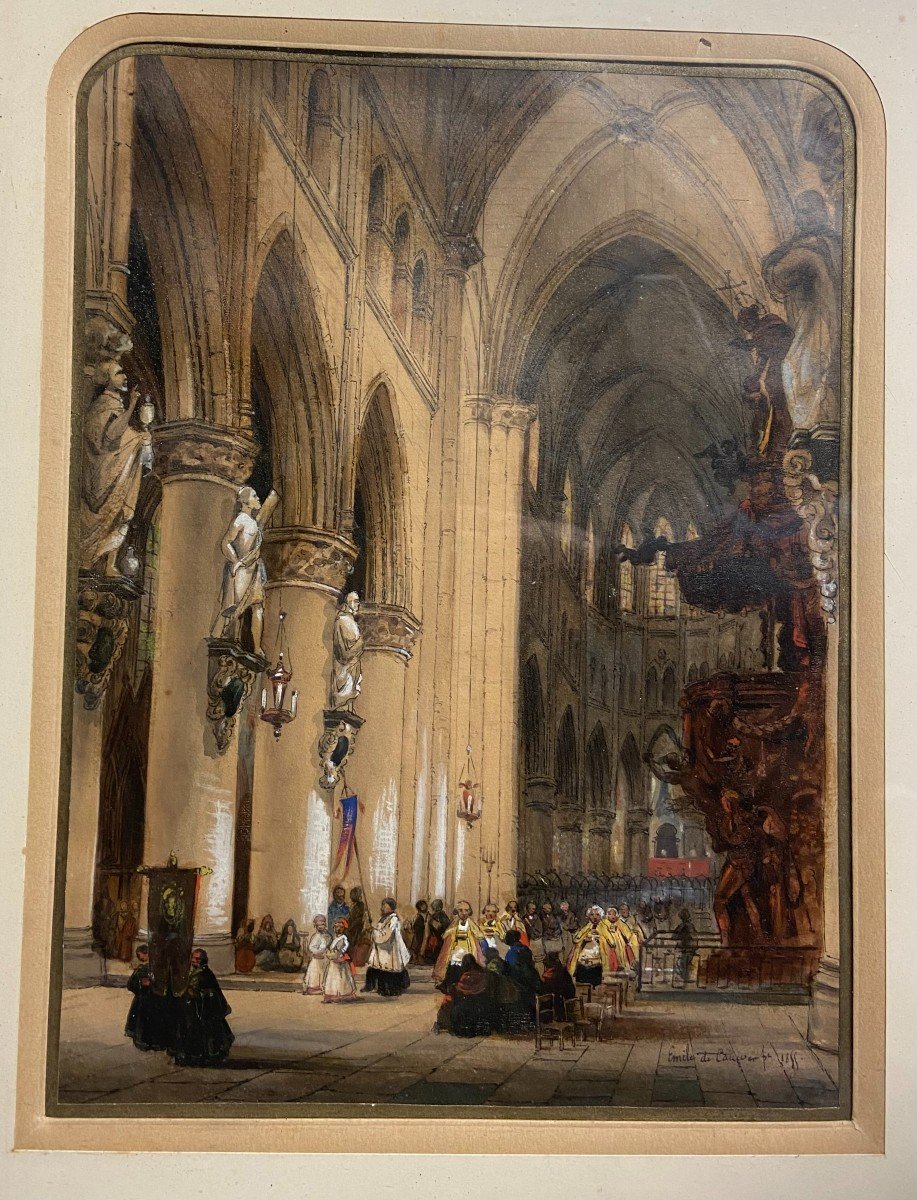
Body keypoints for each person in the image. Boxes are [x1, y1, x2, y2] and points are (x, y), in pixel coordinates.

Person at [80, 357, 153, 575]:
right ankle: (95, 561)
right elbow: (111, 436)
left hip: (117, 468)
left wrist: (140, 438)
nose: (124, 377)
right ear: (106, 379)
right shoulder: (104, 404)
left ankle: (108, 563)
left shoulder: (115, 405)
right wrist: (132, 407)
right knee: (109, 513)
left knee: (121, 514)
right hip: (104, 473)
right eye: (118, 373)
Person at [211, 485, 279, 657]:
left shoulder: (254, 523)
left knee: (257, 605)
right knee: (234, 608)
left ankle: (256, 648)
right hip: (241, 570)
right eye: (255, 496)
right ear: (246, 502)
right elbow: (226, 542)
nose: (258, 499)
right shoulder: (240, 520)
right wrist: (237, 562)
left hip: (253, 569)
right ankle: (223, 637)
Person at [173, 948, 234, 1067]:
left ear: (203, 960)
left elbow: (200, 991)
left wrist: (189, 993)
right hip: (198, 1009)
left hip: (204, 1010)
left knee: (202, 1034)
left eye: (197, 959)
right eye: (193, 958)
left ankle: (200, 1057)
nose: (194, 961)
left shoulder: (203, 973)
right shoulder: (198, 972)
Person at [433, 900, 486, 991]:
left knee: (468, 965)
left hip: (468, 948)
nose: (464, 913)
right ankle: (451, 985)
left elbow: (479, 934)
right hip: (457, 948)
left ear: (469, 911)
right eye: (461, 910)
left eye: (466, 910)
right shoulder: (455, 922)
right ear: (457, 912)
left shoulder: (471, 923)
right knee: (453, 965)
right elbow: (446, 934)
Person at [363, 898, 411, 996]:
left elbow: (386, 935)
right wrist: (373, 928)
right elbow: (379, 929)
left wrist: (375, 931)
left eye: (385, 906)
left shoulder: (393, 919)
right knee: (376, 967)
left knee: (388, 969)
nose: (382, 908)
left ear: (391, 907)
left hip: (389, 949)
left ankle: (389, 990)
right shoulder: (385, 918)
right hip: (381, 949)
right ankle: (372, 986)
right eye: (382, 906)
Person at [567, 905, 619, 986]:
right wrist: (584, 940)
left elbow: (612, 943)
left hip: (598, 960)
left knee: (596, 984)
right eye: (592, 915)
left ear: (601, 916)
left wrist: (599, 939)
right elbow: (576, 940)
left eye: (597, 915)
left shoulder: (604, 928)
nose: (594, 917)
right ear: (588, 916)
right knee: (582, 983)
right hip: (584, 960)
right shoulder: (586, 928)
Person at [124, 944, 161, 1052]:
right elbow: (131, 985)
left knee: (146, 1021)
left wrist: (143, 985)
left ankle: (146, 1041)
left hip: (147, 1000)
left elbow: (130, 985)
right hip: (147, 999)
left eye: (140, 956)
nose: (140, 958)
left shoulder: (146, 969)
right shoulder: (149, 968)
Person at [447, 954, 493, 1038]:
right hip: (481, 1004)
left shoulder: (467, 976)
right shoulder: (481, 973)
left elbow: (462, 988)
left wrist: (454, 987)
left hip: (469, 1005)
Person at [503, 928, 541, 1022]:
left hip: (520, 983)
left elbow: (512, 969)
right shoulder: (526, 949)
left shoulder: (511, 952)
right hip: (531, 979)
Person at [323, 918, 358, 1003]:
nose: (338, 929)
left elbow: (342, 949)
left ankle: (343, 995)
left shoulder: (344, 938)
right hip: (334, 961)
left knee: (341, 978)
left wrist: (336, 955)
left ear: (344, 929)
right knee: (332, 978)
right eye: (336, 927)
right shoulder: (335, 938)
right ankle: (332, 995)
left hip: (341, 961)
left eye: (341, 927)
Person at [540, 950, 576, 1022]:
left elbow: (552, 987)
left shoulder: (556, 971)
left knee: (548, 999)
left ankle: (554, 1018)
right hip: (566, 994)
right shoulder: (561, 968)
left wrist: (544, 979)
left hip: (562, 996)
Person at [303, 915, 332, 995]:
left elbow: (329, 944)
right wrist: (317, 952)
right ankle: (314, 988)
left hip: (325, 958)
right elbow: (311, 947)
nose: (320, 927)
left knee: (325, 972)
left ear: (325, 925)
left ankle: (324, 987)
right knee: (315, 973)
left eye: (322, 925)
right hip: (317, 958)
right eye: (318, 925)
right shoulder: (315, 936)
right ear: (315, 926)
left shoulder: (328, 936)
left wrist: (327, 951)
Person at [346, 886, 372, 968]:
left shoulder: (360, 905)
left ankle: (353, 961)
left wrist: (350, 927)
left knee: (354, 943)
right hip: (351, 927)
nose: (351, 896)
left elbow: (358, 919)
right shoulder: (353, 905)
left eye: (353, 895)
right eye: (351, 894)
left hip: (356, 928)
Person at [672, 907, 697, 984]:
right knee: (685, 963)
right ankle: (686, 978)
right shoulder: (691, 925)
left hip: (686, 948)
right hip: (692, 948)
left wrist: (679, 937)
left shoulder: (682, 925)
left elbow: (674, 936)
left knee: (682, 963)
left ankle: (684, 979)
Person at [425, 898, 450, 964]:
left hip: (438, 936)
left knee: (437, 950)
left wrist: (431, 921)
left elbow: (438, 926)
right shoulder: (444, 915)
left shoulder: (437, 915)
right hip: (441, 936)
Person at [406, 899, 429, 964]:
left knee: (417, 946)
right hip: (419, 934)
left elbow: (417, 927)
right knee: (416, 947)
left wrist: (411, 928)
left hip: (420, 935)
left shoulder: (421, 916)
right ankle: (416, 959)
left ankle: (418, 959)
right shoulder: (420, 916)